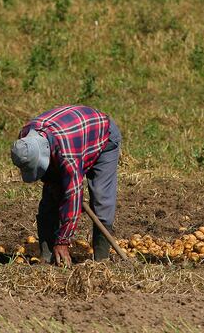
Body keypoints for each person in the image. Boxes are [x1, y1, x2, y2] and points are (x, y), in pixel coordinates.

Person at [10, 105, 122, 266]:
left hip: (101, 134)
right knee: (50, 198)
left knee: (101, 198)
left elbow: (73, 195)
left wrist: (63, 240)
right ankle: (47, 257)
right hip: (74, 135)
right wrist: (54, 186)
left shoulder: (67, 155)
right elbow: (50, 178)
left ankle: (101, 260)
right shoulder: (24, 141)